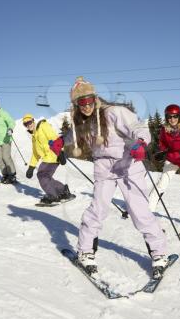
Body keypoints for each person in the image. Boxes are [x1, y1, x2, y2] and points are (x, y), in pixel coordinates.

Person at [69, 76, 168, 279]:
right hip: (104, 168)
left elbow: (138, 127)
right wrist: (59, 143)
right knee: (97, 210)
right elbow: (71, 136)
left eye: (89, 100)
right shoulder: (81, 122)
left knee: (139, 211)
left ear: (95, 98)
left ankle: (159, 254)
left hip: (128, 164)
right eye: (81, 102)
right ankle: (86, 251)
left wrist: (141, 142)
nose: (86, 106)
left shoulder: (114, 112)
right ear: (76, 104)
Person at [22, 114, 75, 205]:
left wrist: (61, 153)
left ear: (33, 121)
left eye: (29, 122)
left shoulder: (43, 126)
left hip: (54, 155)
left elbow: (54, 138)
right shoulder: (34, 136)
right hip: (47, 158)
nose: (28, 125)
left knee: (42, 175)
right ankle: (63, 191)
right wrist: (31, 167)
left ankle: (53, 196)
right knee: (46, 176)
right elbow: (35, 154)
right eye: (25, 124)